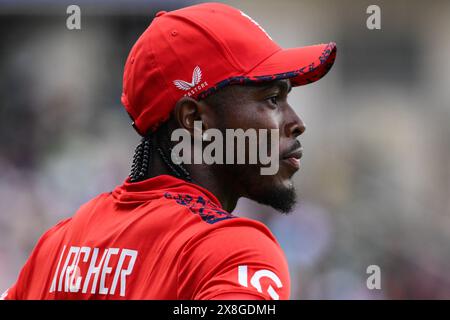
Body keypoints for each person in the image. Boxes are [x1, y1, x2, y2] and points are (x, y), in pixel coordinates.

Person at [2, 2, 336, 300]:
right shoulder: (234, 252)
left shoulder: (58, 246)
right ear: (194, 120)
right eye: (272, 99)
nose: (296, 122)